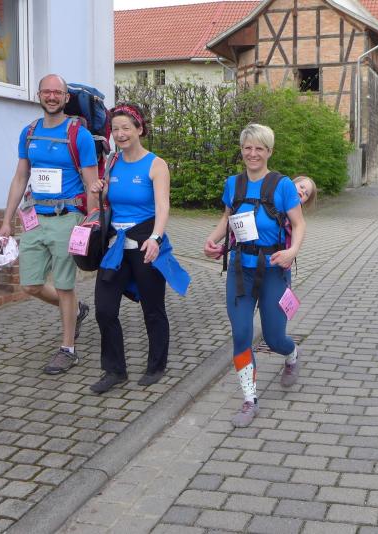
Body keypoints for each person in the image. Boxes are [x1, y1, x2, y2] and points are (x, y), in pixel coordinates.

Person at [203, 124, 316, 428]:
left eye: (259, 148)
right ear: (241, 150)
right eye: (247, 148)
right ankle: (249, 399)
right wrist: (213, 240)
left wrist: (292, 251)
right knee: (241, 334)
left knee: (273, 338)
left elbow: (299, 224)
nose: (252, 154)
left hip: (274, 270)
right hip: (241, 270)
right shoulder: (233, 184)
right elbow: (227, 219)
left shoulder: (283, 186)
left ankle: (292, 354)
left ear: (269, 151)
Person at [0, 74, 98, 375]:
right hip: (34, 219)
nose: (52, 97)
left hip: (68, 217)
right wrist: (6, 221)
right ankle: (77, 310)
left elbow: (91, 183)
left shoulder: (79, 135)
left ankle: (68, 349)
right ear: (38, 95)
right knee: (31, 284)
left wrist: (91, 222)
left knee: (65, 285)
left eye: (57, 92)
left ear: (66, 98)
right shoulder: (29, 133)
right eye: (47, 92)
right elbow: (20, 177)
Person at [89, 103, 190, 392]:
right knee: (104, 309)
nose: (120, 134)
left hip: (146, 243)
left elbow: (163, 206)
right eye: (115, 129)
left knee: (153, 309)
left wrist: (156, 238)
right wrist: (98, 191)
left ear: (139, 129)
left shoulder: (156, 165)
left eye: (126, 128)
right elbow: (106, 202)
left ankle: (156, 366)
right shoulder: (112, 162)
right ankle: (114, 370)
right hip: (116, 246)